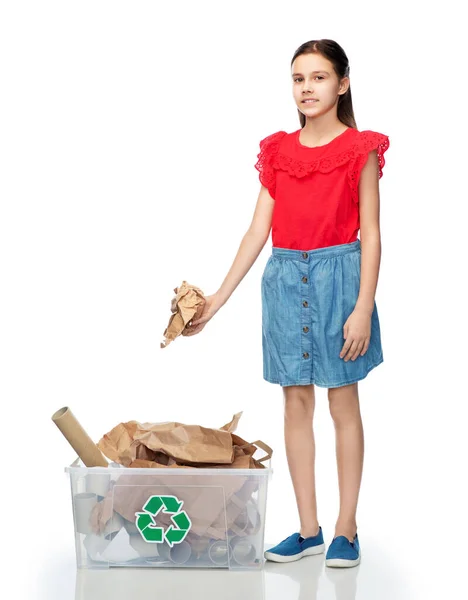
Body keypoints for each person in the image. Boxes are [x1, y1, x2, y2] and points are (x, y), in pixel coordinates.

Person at [185, 39, 390, 568]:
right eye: (299, 78)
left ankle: (347, 528)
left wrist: (363, 305)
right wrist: (216, 300)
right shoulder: (278, 151)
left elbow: (372, 233)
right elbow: (258, 230)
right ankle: (307, 529)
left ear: (342, 84)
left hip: (338, 278)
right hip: (284, 279)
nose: (307, 88)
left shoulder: (359, 148)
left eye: (319, 77)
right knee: (295, 402)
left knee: (343, 402)